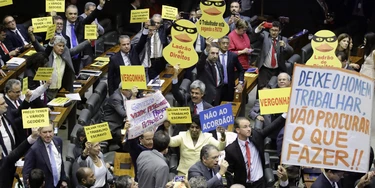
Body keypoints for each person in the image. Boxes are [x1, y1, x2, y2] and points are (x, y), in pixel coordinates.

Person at [225, 115, 286, 187]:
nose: (249, 129)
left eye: (249, 126)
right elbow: (228, 172)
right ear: (238, 130)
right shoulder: (231, 149)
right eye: (245, 127)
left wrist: (284, 115)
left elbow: (272, 127)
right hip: (243, 184)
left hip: (259, 182)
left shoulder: (256, 136)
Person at [29, 32, 90, 100]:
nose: (62, 48)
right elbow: (38, 47)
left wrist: (88, 41)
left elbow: (76, 49)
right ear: (53, 46)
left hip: (59, 89)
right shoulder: (47, 55)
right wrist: (31, 35)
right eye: (59, 46)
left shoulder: (65, 54)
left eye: (63, 46)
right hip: (47, 91)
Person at [63, 0, 105, 73]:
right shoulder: (61, 25)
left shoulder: (80, 21)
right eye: (70, 14)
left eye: (75, 14)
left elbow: (91, 17)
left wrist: (100, 6)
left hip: (78, 56)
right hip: (65, 57)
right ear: (66, 14)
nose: (73, 16)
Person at [22, 122, 68, 188]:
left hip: (58, 185)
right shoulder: (34, 149)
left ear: (54, 131)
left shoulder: (58, 141)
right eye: (45, 132)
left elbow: (60, 162)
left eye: (50, 131)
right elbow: (26, 173)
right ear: (39, 133)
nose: (48, 135)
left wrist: (63, 179)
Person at [107, 27, 149, 96]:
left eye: (128, 44)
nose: (126, 46)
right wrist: (112, 95)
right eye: (124, 44)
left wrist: (146, 28)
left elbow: (142, 42)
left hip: (136, 88)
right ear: (119, 46)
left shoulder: (134, 53)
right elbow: (110, 79)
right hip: (122, 90)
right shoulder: (114, 59)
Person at [254, 21, 293, 89]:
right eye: (272, 30)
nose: (274, 32)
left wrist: (285, 46)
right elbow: (256, 35)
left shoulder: (283, 39)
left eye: (276, 30)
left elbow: (291, 51)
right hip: (264, 69)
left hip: (277, 69)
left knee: (274, 90)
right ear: (269, 30)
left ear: (279, 31)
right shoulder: (265, 36)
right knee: (262, 89)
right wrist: (259, 28)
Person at [196, 39, 224, 106]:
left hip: (217, 99)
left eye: (217, 53)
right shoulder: (203, 66)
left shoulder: (219, 66)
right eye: (212, 53)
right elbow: (201, 62)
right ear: (208, 53)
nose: (215, 56)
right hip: (206, 99)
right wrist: (206, 49)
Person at [218, 36, 244, 101]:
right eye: (223, 43)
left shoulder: (233, 56)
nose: (225, 45)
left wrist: (240, 83)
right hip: (217, 88)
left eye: (227, 43)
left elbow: (241, 70)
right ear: (219, 44)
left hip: (229, 88)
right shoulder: (215, 55)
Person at [359, 32, 375, 128]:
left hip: (370, 76)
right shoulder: (367, 50)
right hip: (363, 73)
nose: (364, 41)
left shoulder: (374, 52)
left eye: (366, 39)